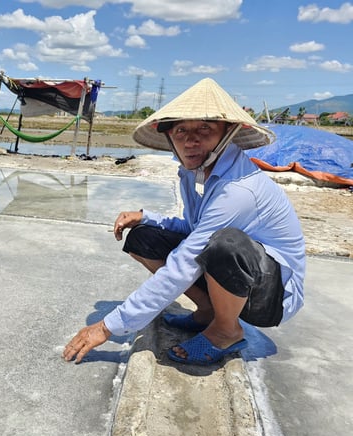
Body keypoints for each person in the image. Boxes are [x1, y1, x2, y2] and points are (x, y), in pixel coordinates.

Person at [62, 78, 306, 366]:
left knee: (226, 244)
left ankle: (226, 330)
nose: (191, 140)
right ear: (170, 138)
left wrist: (107, 327)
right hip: (240, 276)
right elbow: (195, 230)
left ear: (228, 133)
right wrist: (147, 217)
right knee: (143, 237)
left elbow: (186, 260)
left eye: (205, 129)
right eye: (181, 131)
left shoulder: (239, 190)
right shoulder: (194, 173)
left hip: (271, 296)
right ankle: (207, 311)